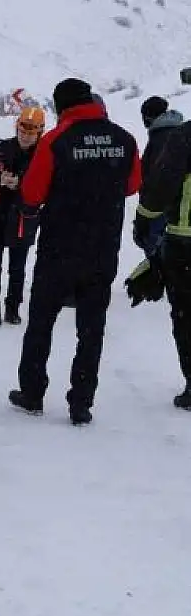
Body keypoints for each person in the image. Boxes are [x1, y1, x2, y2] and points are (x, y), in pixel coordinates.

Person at [9, 78, 142, 425]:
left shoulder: (55, 141)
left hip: (59, 248)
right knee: (91, 328)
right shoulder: (124, 139)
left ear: (60, 106)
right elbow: (132, 185)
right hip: (102, 249)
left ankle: (33, 392)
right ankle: (81, 402)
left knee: (41, 322)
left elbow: (32, 193)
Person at [136, 104, 191, 408]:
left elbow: (161, 186)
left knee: (185, 316)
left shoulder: (185, 137)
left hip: (185, 240)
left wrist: (143, 219)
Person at [0, 106, 46, 326]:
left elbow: (45, 184)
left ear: (39, 132)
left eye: (31, 132)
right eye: (23, 130)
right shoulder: (2, 149)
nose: (26, 135)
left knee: (18, 265)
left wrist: (21, 184)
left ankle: (13, 309)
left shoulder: (43, 154)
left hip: (24, 215)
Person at [133, 96, 184, 255]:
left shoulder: (161, 139)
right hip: (179, 210)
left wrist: (144, 216)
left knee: (159, 254)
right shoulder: (178, 134)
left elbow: (158, 180)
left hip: (162, 211)